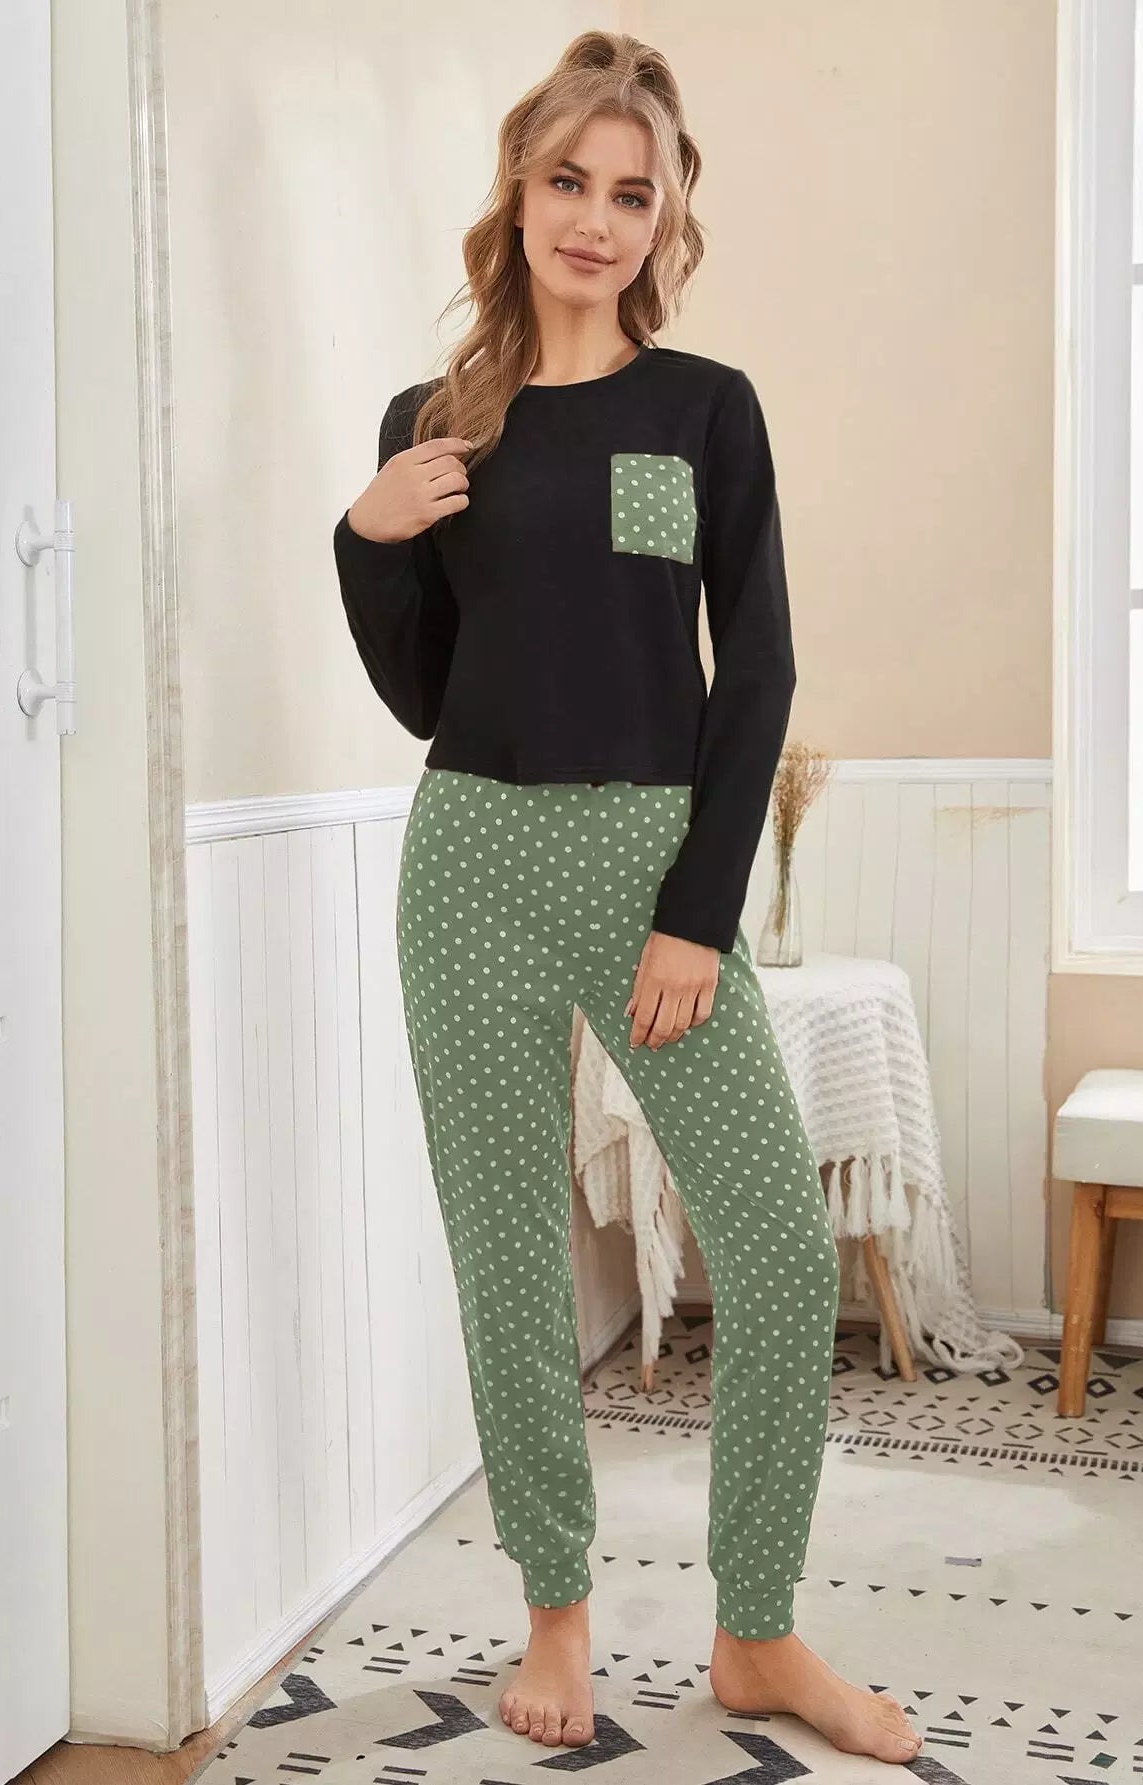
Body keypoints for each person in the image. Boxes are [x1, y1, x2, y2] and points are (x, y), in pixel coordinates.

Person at [331, 27, 922, 1770]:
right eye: (568, 181)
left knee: (779, 1247)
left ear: (666, 221)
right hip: (472, 866)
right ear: (518, 195)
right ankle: (555, 1608)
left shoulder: (704, 408)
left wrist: (695, 910)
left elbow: (760, 667)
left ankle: (757, 1630)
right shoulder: (435, 424)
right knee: (511, 1251)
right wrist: (367, 539)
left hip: (653, 868)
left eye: (632, 193)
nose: (595, 218)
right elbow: (425, 695)